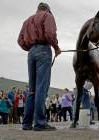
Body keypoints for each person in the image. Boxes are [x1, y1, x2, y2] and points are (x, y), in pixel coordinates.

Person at [19, 2, 61, 131]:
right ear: (48, 9)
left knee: (32, 90)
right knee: (41, 88)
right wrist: (56, 48)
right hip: (43, 50)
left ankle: (26, 124)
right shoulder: (47, 16)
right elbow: (49, 33)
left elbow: (20, 40)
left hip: (31, 53)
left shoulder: (27, 20)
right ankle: (40, 123)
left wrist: (30, 48)